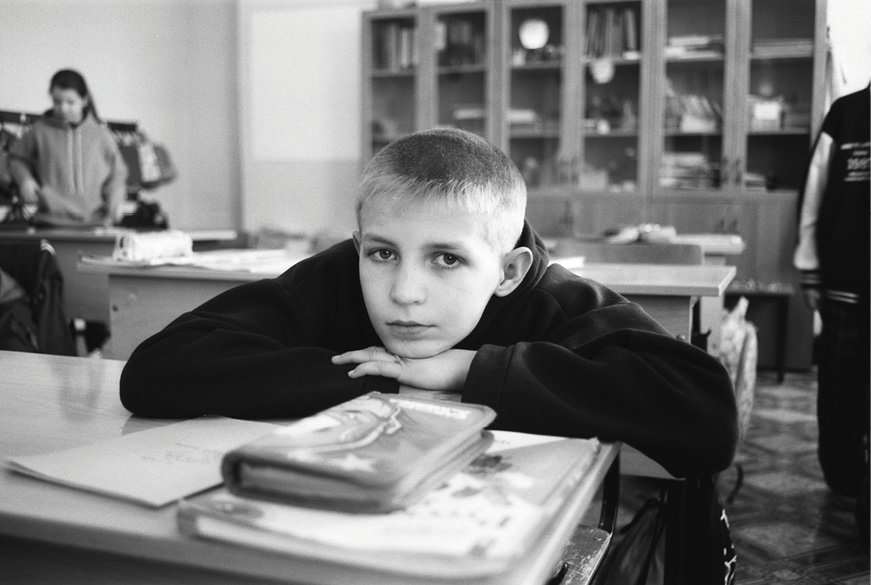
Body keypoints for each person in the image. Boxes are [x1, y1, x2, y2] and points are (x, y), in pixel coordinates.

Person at [120, 128, 737, 479]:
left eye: (447, 259)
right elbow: (156, 370)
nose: (404, 292)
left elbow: (705, 418)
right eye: (382, 254)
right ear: (360, 244)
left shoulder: (556, 300)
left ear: (507, 270)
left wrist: (470, 372)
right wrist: (392, 385)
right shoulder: (339, 273)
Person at [793, 86, 869, 516]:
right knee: (841, 385)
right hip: (844, 280)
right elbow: (814, 196)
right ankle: (842, 477)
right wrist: (810, 268)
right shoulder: (846, 114)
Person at [8, 69, 128, 227]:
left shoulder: (101, 135)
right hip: (49, 222)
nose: (63, 108)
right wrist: (25, 180)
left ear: (84, 100)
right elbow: (16, 159)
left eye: (70, 102)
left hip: (95, 223)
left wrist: (116, 203)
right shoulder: (40, 130)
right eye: (57, 102)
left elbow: (117, 174)